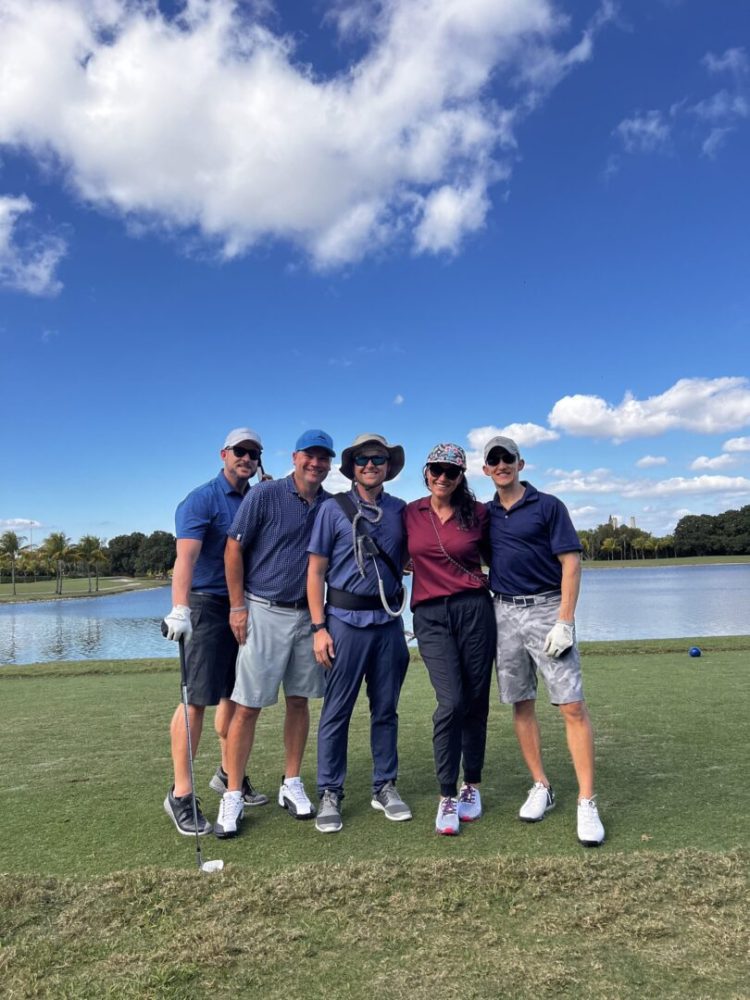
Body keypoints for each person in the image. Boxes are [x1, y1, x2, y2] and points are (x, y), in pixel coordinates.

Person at [483, 435, 605, 847]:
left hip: (546, 609)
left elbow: (571, 563)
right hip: (502, 611)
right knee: (520, 701)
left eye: (508, 458)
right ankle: (542, 785)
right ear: (485, 469)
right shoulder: (485, 515)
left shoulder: (549, 506)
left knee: (571, 704)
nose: (502, 465)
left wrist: (565, 621)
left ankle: (586, 800)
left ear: (520, 463)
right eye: (494, 460)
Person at [214, 430, 335, 839]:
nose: (315, 464)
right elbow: (233, 549)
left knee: (299, 702)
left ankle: (292, 782)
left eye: (323, 458)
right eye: (310, 456)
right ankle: (232, 792)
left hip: (308, 616)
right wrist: (237, 606)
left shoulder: (331, 505)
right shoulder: (265, 496)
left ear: (329, 463)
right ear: (296, 457)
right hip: (263, 610)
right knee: (247, 706)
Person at [163, 428, 269, 837]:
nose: (247, 458)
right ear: (224, 454)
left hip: (244, 607)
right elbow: (185, 560)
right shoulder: (201, 499)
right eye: (241, 451)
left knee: (235, 696)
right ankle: (181, 794)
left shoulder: (256, 497)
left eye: (254, 453)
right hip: (207, 606)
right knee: (195, 701)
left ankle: (228, 774)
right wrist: (180, 608)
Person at [307, 433, 411, 834]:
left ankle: (384, 785)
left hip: (387, 625)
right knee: (337, 711)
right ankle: (330, 792)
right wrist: (319, 628)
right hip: (343, 624)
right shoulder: (332, 509)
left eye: (379, 459)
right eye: (363, 459)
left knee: (385, 710)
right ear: (352, 466)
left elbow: (408, 559)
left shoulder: (401, 510)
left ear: (388, 466)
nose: (371, 465)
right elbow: (315, 571)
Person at [404, 443, 496, 835]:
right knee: (451, 702)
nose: (442, 477)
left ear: (461, 477)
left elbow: (500, 556)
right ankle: (446, 794)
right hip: (430, 615)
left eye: (451, 471)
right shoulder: (409, 513)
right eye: (435, 470)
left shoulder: (478, 514)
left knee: (475, 701)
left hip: (474, 610)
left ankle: (470, 785)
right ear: (426, 472)